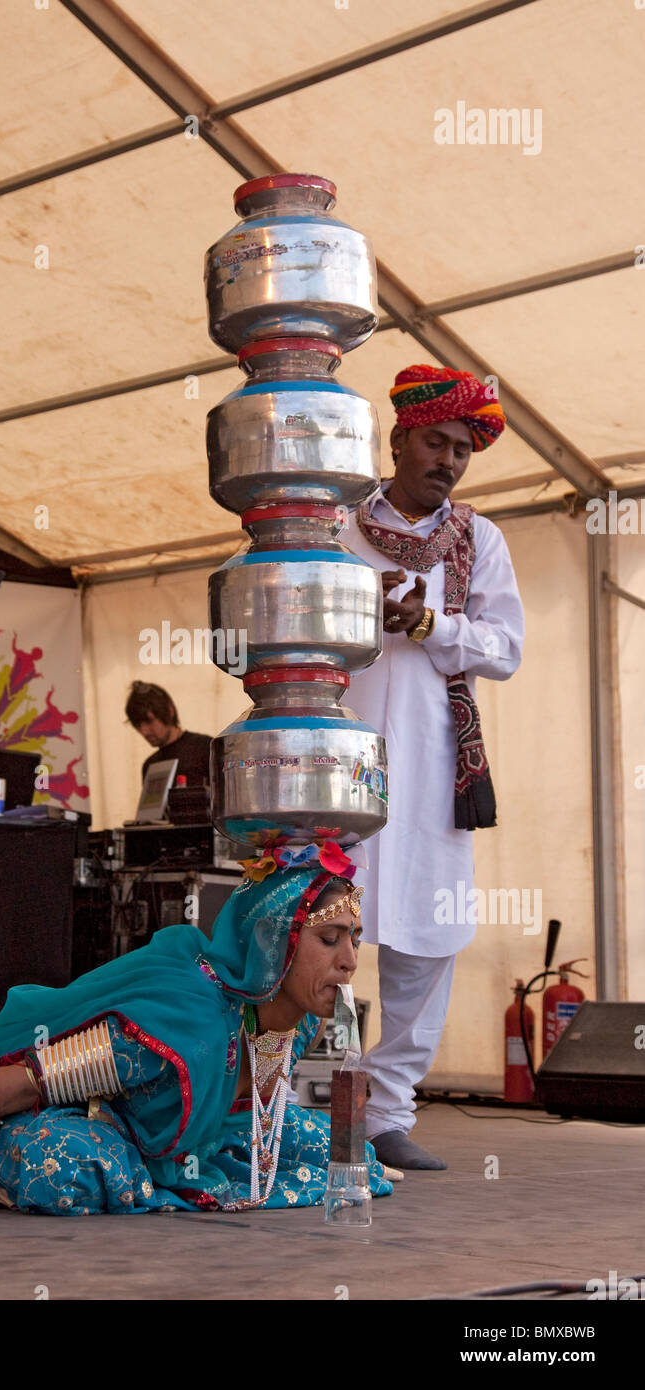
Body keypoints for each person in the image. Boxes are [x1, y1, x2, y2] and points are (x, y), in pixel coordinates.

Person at [0, 842, 400, 1215]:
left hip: (187, 1142)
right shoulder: (179, 1023)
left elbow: (265, 1114)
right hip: (73, 1122)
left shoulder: (292, 1019)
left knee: (346, 1154)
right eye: (329, 939)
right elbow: (22, 1085)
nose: (348, 961)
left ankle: (164, 1173)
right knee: (70, 1168)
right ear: (271, 943)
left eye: (355, 941)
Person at [344, 363, 525, 1170]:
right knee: (321, 932)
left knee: (428, 939)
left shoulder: (478, 540)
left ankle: (386, 1114)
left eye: (462, 448)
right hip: (340, 764)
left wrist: (428, 623)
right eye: (436, 441)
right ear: (398, 439)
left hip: (436, 765)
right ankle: (317, 1100)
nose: (448, 460)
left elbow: (504, 650)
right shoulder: (331, 527)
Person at [125, 680, 211, 788]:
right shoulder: (149, 766)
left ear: (170, 711)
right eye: (137, 725)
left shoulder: (205, 748)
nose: (144, 731)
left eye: (149, 721)